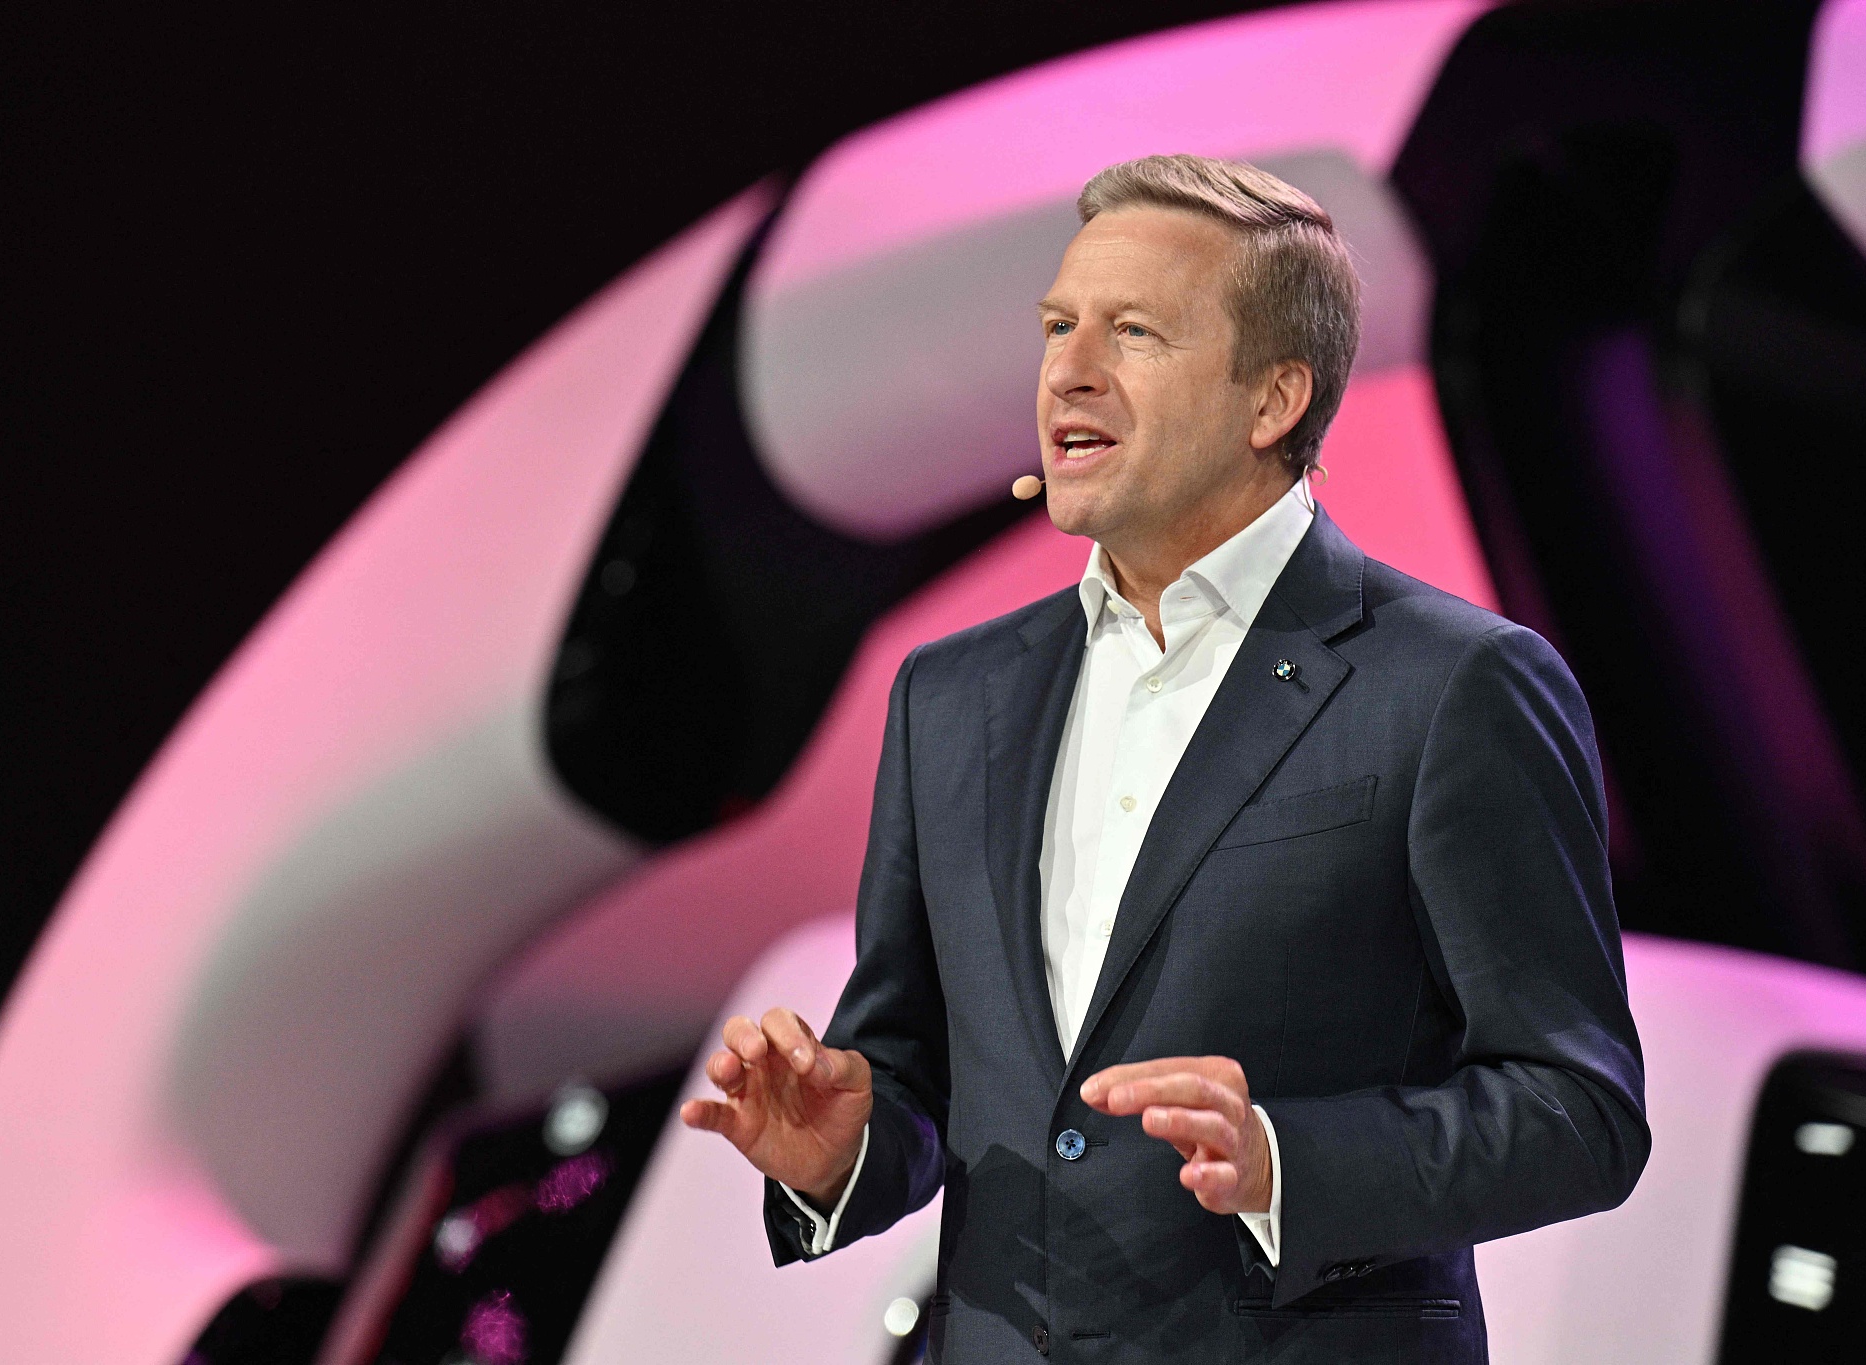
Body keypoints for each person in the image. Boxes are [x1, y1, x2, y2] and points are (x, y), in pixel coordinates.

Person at [680, 153, 1648, 1363]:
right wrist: (846, 1151)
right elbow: (918, 1065)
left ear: (1272, 399)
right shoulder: (952, 694)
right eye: (1056, 327)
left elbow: (1579, 1112)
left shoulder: (1453, 685)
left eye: (1132, 331)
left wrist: (1287, 1162)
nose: (1068, 371)